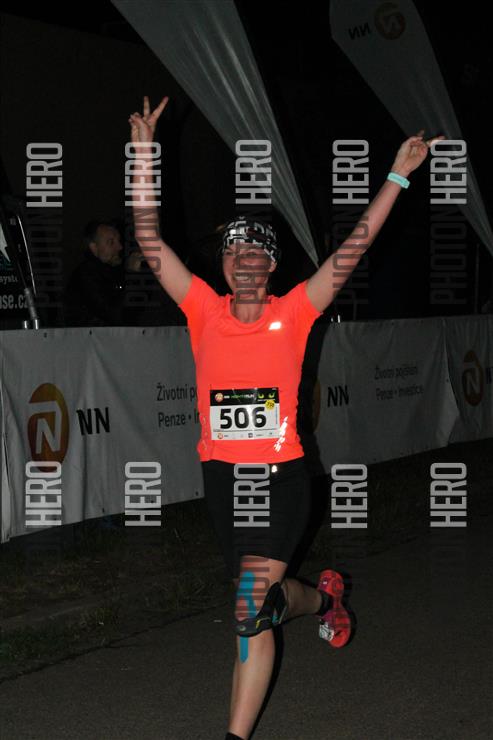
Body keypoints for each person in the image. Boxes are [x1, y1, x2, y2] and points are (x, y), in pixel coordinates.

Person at [128, 95, 443, 740]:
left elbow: (354, 247)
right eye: (233, 252)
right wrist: (142, 156)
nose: (243, 259)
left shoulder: (296, 310)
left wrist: (398, 174)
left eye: (255, 252)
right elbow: (149, 240)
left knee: (248, 613)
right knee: (261, 605)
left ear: (271, 266)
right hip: (224, 481)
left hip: (281, 478)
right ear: (224, 266)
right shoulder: (202, 309)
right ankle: (324, 598)